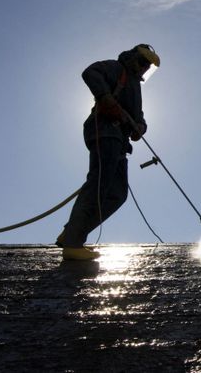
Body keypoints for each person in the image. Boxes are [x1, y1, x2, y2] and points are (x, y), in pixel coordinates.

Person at [56, 44, 160, 260]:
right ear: (133, 58)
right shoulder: (116, 68)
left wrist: (140, 127)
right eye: (142, 62)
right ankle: (73, 243)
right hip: (104, 132)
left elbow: (138, 115)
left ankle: (73, 232)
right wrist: (105, 97)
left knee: (118, 194)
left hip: (120, 142)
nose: (144, 68)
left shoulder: (136, 87)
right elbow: (90, 72)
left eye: (147, 66)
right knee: (98, 184)